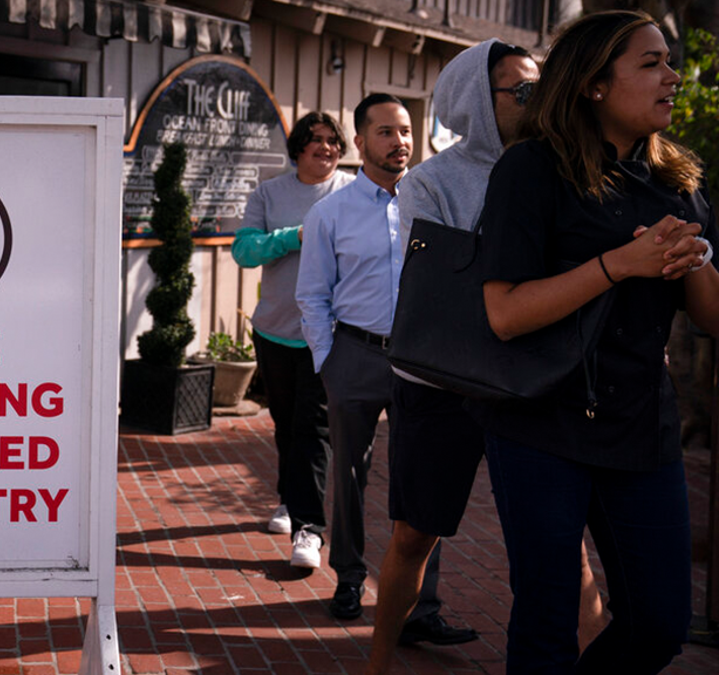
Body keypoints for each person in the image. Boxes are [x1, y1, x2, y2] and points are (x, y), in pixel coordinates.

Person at [475, 11, 717, 673]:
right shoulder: (531, 171)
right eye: (651, 63)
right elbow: (504, 313)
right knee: (548, 621)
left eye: (669, 61)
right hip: (540, 426)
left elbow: (712, 314)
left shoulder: (679, 186)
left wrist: (692, 258)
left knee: (660, 621)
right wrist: (619, 264)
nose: (671, 77)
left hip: (641, 429)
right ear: (594, 84)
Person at [367, 41, 572, 672]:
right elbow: (441, 288)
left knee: (565, 548)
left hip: (529, 379)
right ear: (476, 104)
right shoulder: (430, 180)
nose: (537, 101)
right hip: (439, 380)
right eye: (522, 91)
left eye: (541, 87)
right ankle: (377, 662)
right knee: (413, 535)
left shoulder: (565, 168)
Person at [296, 93, 411, 620]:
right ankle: (348, 575)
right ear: (360, 143)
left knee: (422, 479)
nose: (400, 141)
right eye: (386, 132)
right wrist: (328, 362)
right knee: (350, 475)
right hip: (355, 356)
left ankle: (420, 602)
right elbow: (313, 294)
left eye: (406, 130)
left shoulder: (429, 205)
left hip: (419, 362)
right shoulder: (330, 213)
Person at [232, 112, 355, 568]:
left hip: (331, 333)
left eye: (333, 142)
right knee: (286, 423)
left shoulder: (352, 192)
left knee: (312, 428)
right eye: (315, 141)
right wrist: (294, 236)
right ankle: (288, 499)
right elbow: (244, 251)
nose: (325, 148)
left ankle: (309, 529)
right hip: (275, 330)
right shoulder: (269, 193)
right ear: (298, 147)